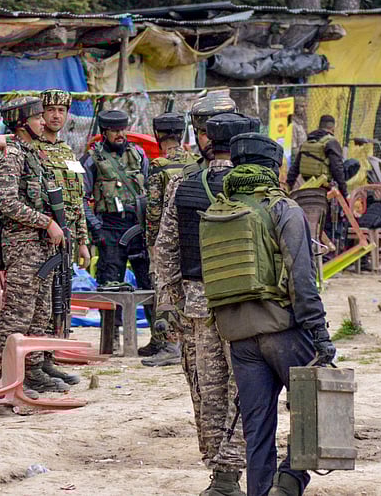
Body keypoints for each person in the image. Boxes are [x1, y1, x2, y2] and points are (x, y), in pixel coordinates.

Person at [199, 132, 336, 496]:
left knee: (257, 431)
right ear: (274, 168)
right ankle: (289, 481)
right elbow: (302, 281)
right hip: (283, 331)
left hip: (238, 338)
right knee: (321, 407)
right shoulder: (283, 209)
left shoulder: (217, 211)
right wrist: (320, 335)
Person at [153, 111, 259, 496]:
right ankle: (234, 469)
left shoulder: (182, 185)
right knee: (245, 388)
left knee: (208, 390)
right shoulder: (256, 185)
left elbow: (165, 250)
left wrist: (177, 301)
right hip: (245, 305)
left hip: (198, 304)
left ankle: (220, 474)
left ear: (207, 141)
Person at [0, 96, 69, 396]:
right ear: (22, 123)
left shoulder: (32, 153)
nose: (43, 121)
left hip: (41, 246)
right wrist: (46, 223)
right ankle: (10, 375)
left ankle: (33, 370)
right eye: (37, 117)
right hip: (22, 245)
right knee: (18, 312)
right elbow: (8, 203)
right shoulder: (11, 154)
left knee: (40, 310)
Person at [30, 88, 89, 386]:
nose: (56, 116)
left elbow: (78, 201)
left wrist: (83, 242)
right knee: (39, 304)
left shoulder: (67, 152)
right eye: (50, 110)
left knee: (59, 301)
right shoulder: (32, 150)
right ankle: (34, 363)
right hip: (41, 239)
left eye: (61, 111)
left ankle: (49, 359)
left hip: (67, 238)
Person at [82, 109, 152, 352]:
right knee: (111, 285)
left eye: (122, 129)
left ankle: (158, 339)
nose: (120, 134)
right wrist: (96, 228)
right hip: (110, 227)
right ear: (104, 132)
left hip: (137, 226)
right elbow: (81, 198)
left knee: (148, 282)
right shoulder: (91, 159)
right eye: (114, 130)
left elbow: (149, 189)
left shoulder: (139, 154)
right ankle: (110, 340)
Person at [140, 111, 199, 366]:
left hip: (167, 236)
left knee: (164, 287)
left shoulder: (159, 166)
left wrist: (152, 242)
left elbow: (153, 210)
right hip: (190, 234)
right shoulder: (195, 163)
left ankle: (169, 344)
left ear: (158, 135)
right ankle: (163, 340)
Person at [286, 114, 348, 199]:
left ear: (319, 126)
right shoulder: (331, 142)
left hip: (307, 185)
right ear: (333, 128)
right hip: (324, 187)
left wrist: (288, 186)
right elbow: (337, 168)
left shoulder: (307, 142)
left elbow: (295, 167)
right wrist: (345, 192)